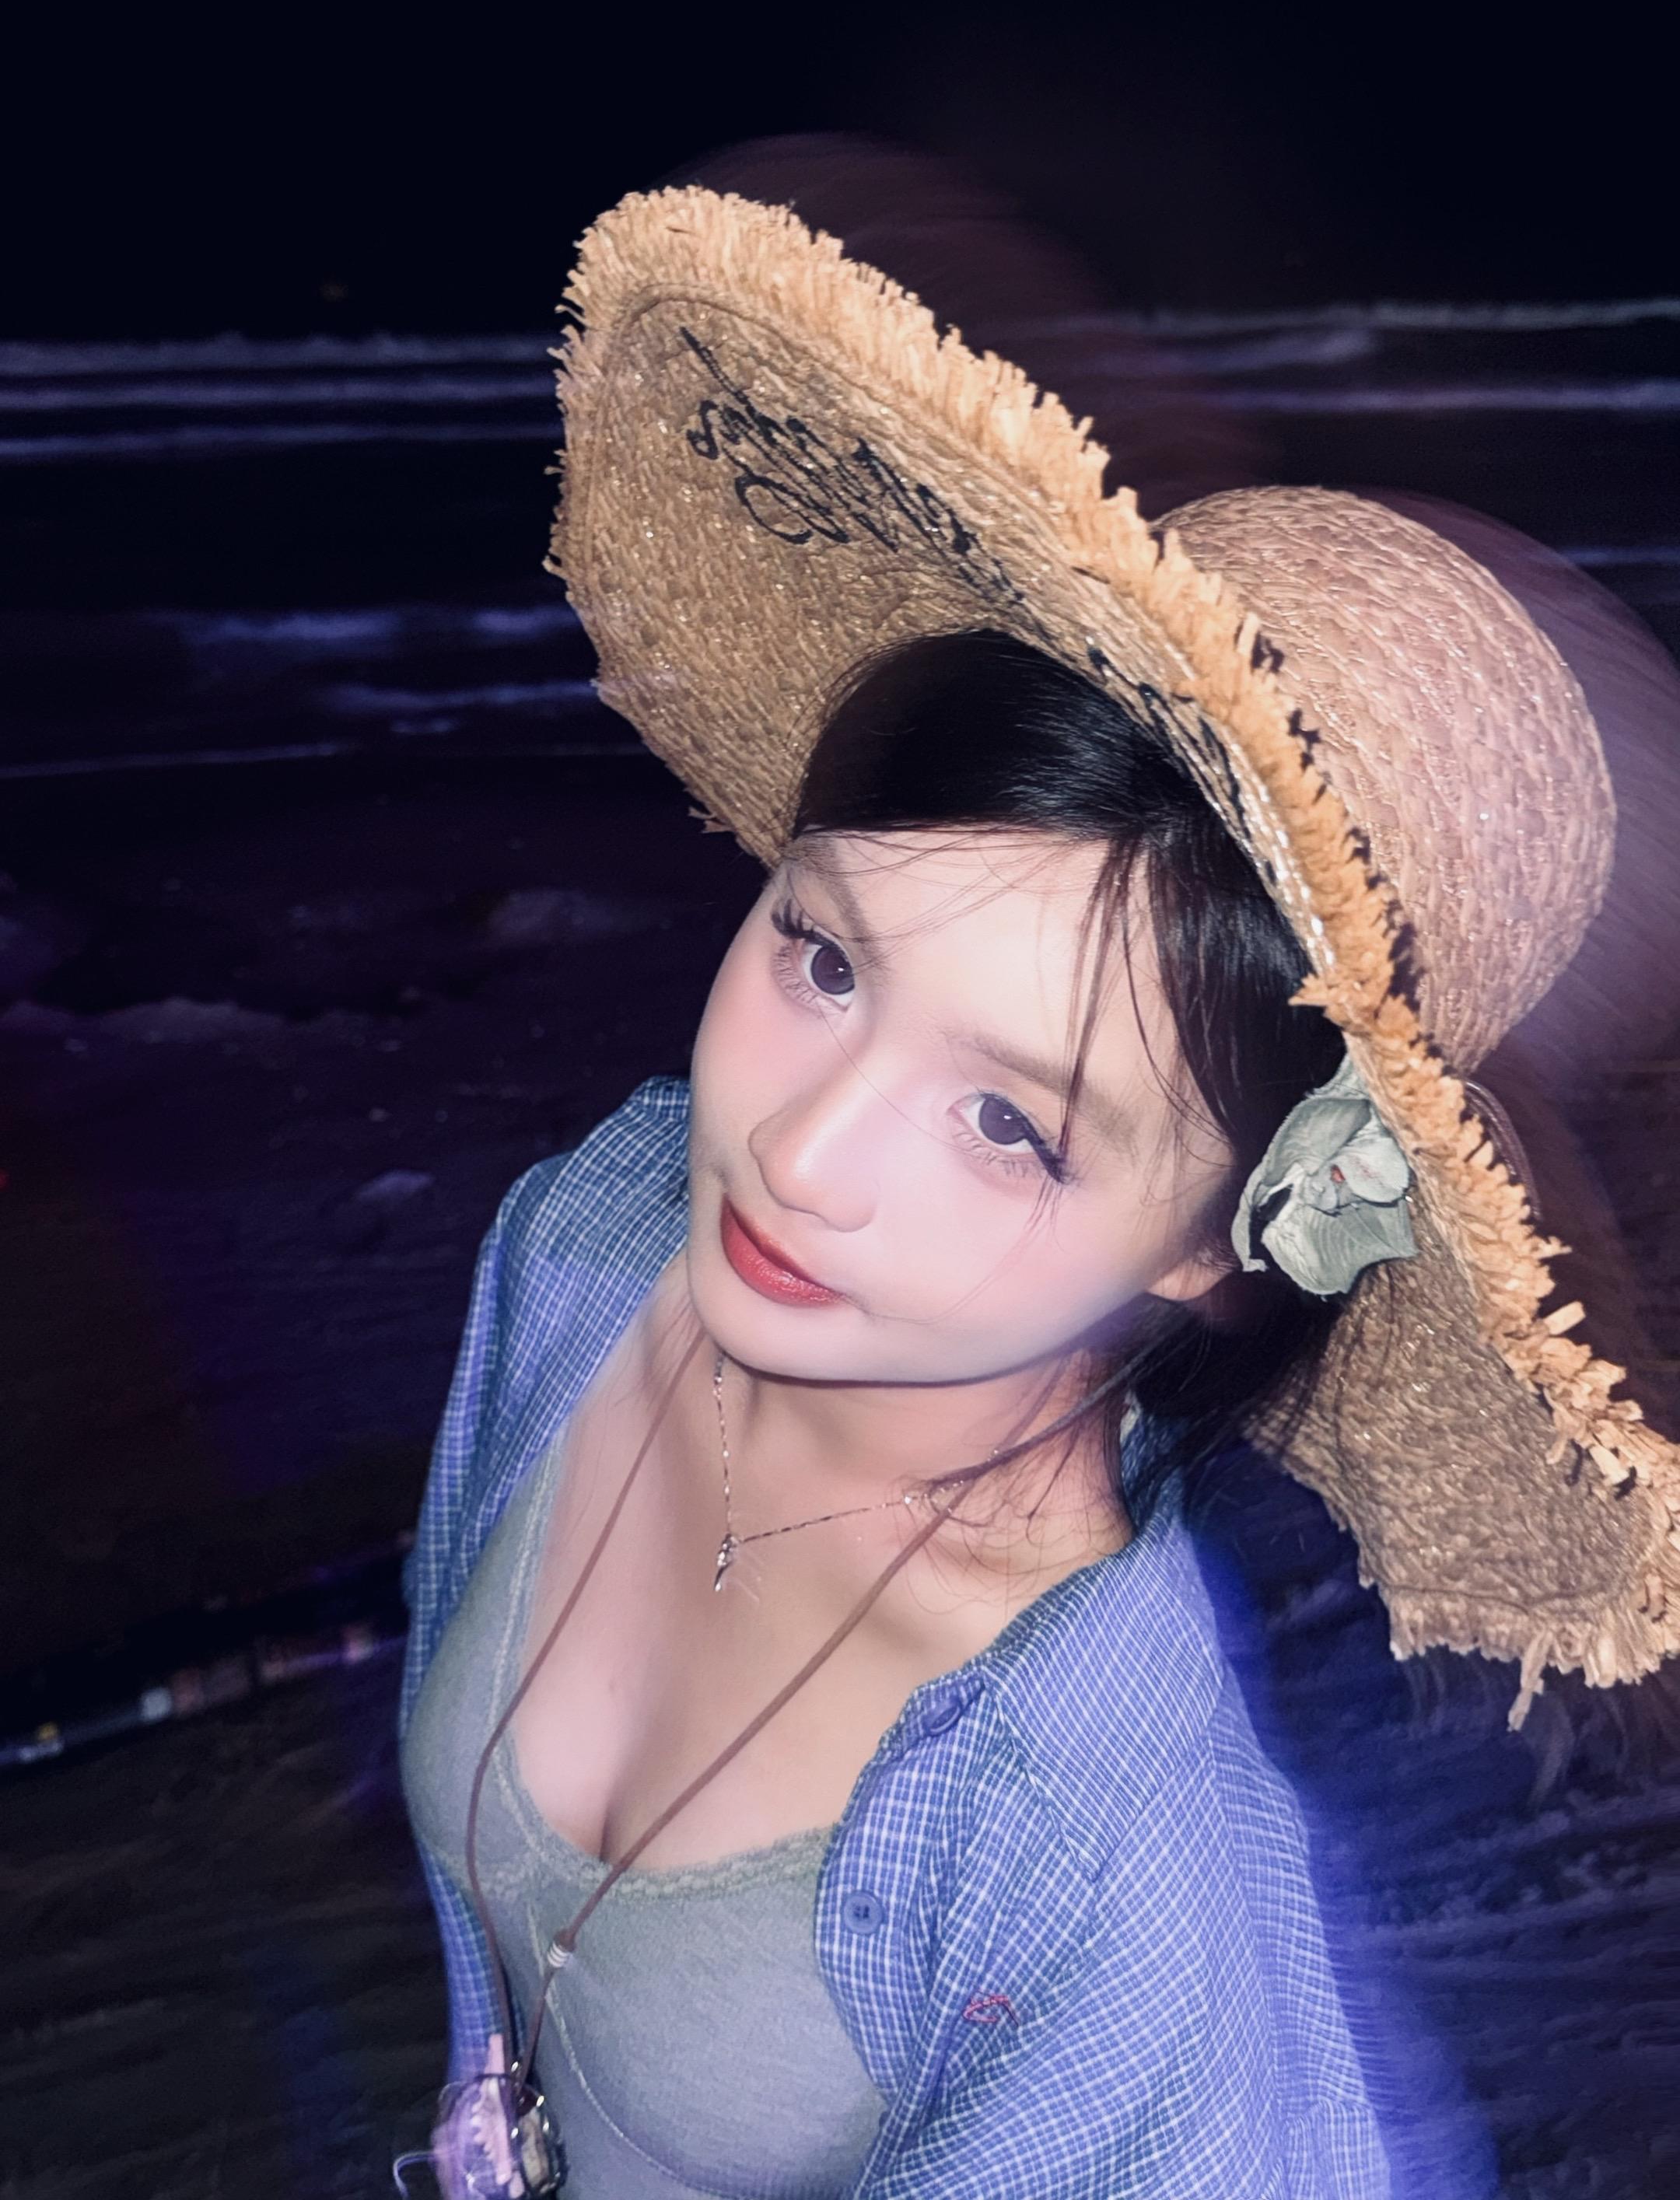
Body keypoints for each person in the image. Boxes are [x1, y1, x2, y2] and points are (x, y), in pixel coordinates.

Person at [397, 187, 1680, 2198]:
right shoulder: (593, 1242)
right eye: (825, 959)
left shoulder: (1091, 1835)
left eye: (1011, 1123)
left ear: (1217, 1249)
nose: (798, 1154)